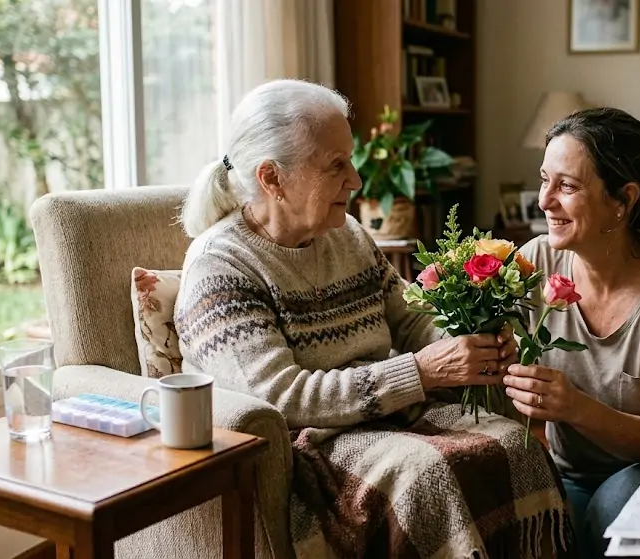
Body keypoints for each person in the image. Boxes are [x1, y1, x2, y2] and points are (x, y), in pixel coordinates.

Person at [173, 79, 570, 558]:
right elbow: (282, 396)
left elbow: (412, 318)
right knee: (429, 478)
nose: (356, 180)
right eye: (336, 165)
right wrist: (422, 372)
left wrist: (471, 341)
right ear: (272, 178)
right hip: (313, 442)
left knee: (516, 447)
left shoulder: (347, 235)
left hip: (390, 414)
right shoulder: (220, 267)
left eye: (350, 160)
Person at [502, 107, 640, 558]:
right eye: (544, 180)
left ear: (623, 200)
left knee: (611, 508)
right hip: (571, 471)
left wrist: (572, 406)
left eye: (567, 186)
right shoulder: (534, 261)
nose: (544, 201)